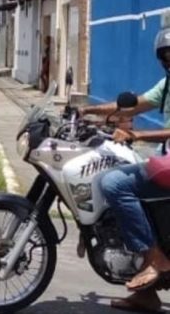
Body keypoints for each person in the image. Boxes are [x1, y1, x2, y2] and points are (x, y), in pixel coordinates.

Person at [80, 28, 170, 313]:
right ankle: (146, 295)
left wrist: (138, 136)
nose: (169, 60)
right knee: (117, 167)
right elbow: (131, 107)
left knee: (115, 184)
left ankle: (154, 258)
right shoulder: (167, 85)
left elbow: (137, 127)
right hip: (164, 160)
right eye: (165, 56)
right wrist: (88, 112)